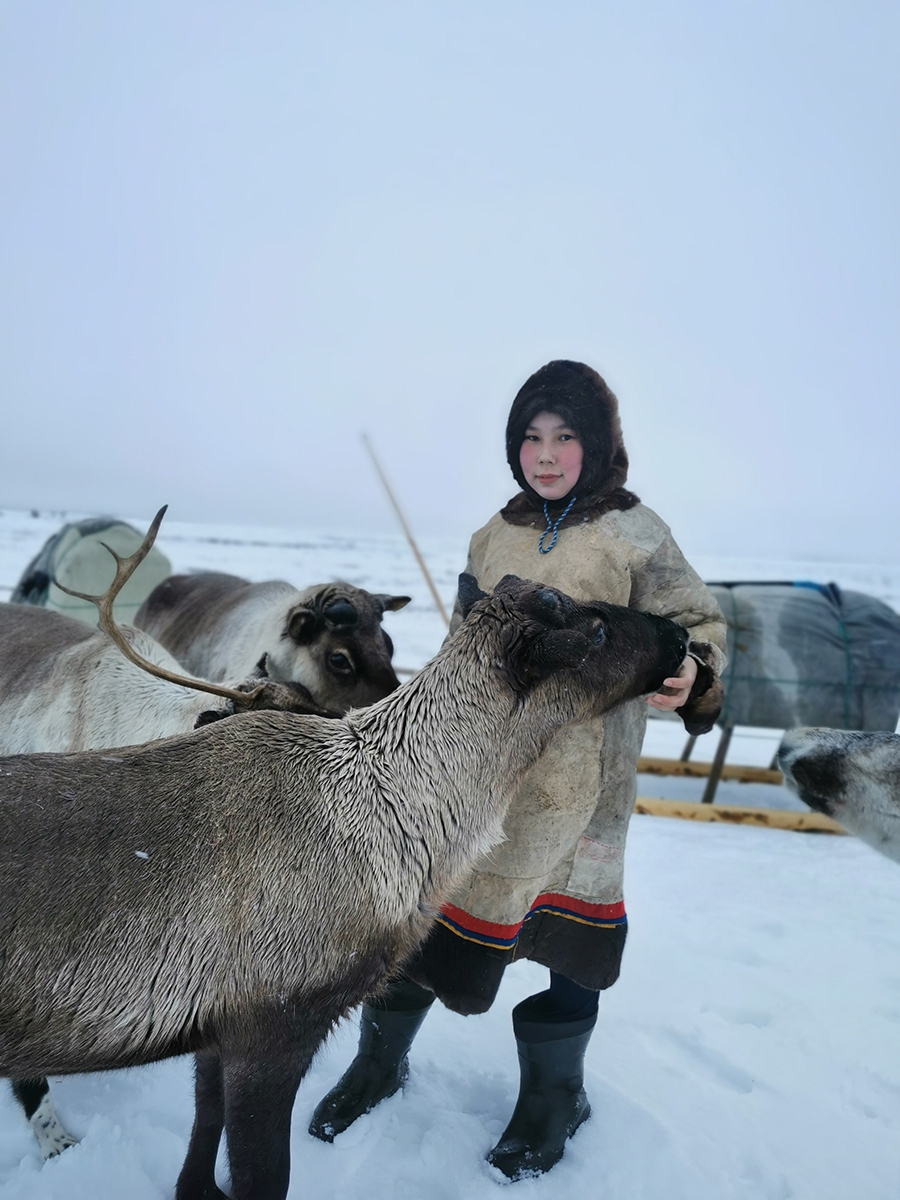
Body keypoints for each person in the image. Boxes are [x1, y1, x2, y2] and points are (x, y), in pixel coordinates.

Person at [309, 360, 727, 1178]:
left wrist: (696, 671)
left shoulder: (636, 533)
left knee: (570, 939)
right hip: (480, 773)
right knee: (423, 923)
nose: (546, 453)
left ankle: (552, 1098)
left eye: (565, 436)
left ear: (597, 442)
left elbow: (695, 622)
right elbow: (465, 643)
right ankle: (379, 1062)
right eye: (532, 436)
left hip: (582, 778)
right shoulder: (492, 533)